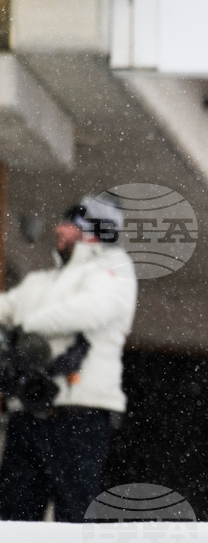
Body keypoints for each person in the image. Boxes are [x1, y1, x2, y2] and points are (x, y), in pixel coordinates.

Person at [0, 196, 138, 522]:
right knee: (13, 517)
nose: (57, 230)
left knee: (76, 517)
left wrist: (25, 327)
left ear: (90, 233)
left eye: (68, 225)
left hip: (80, 415)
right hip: (28, 412)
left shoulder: (113, 270)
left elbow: (92, 309)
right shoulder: (41, 282)